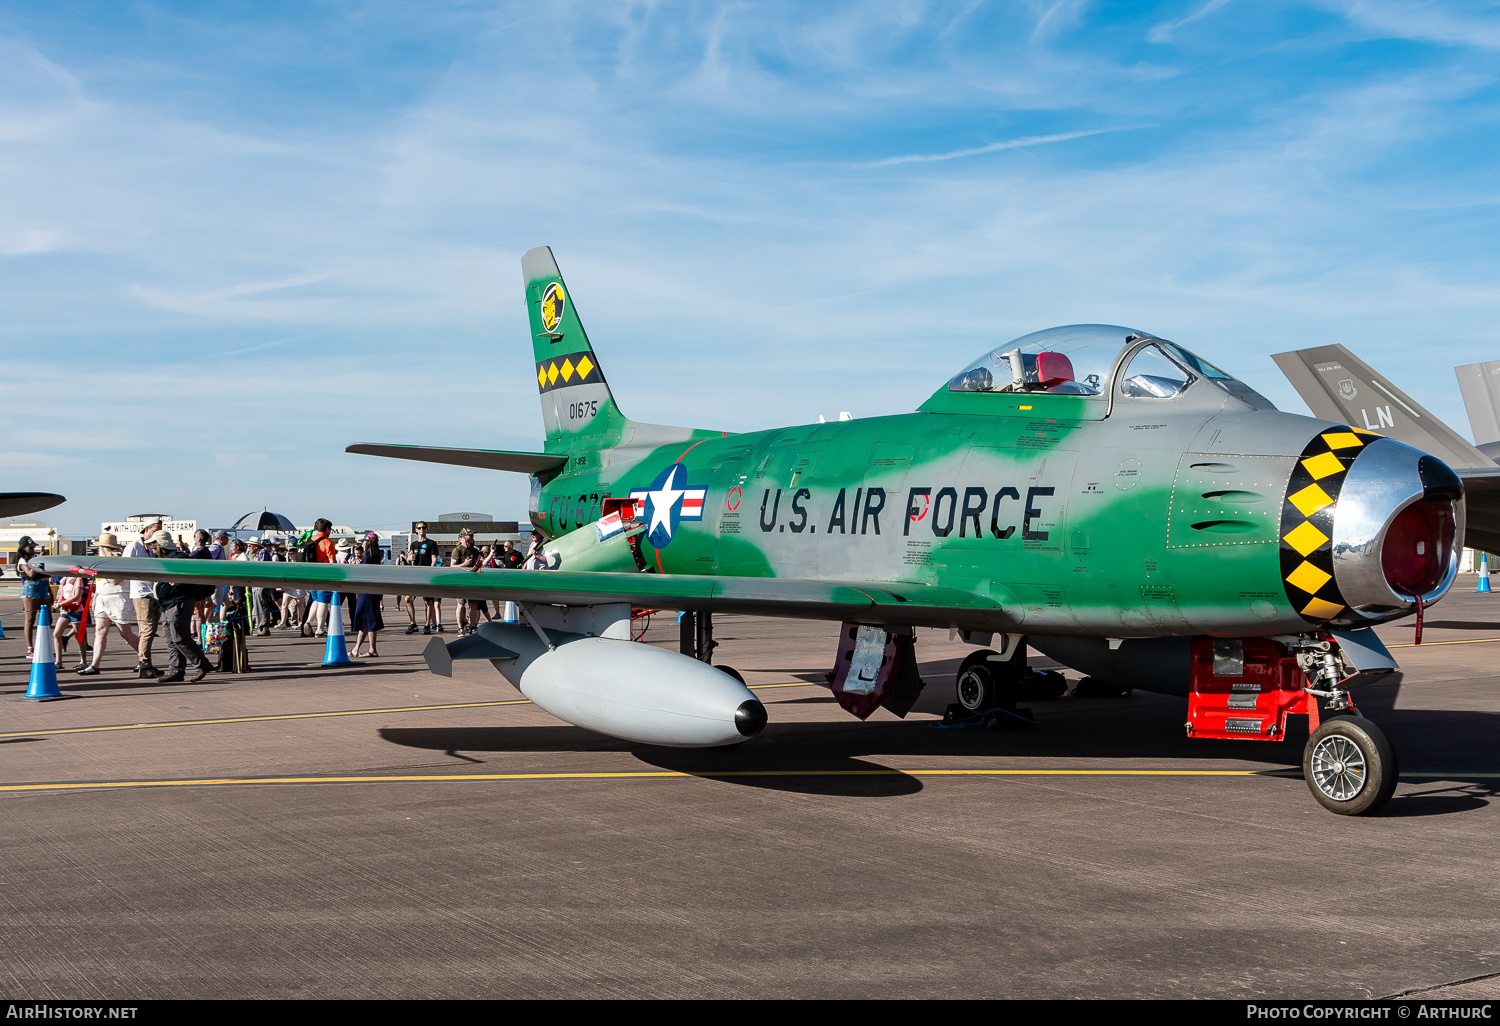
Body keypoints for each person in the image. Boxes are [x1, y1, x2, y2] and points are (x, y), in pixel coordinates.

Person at [153, 534, 213, 684]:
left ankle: (201, 665)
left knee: (179, 637)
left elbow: (191, 571)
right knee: (171, 639)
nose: (152, 550)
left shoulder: (179, 557)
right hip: (168, 603)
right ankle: (176, 671)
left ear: (160, 546)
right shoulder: (172, 558)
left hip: (178, 602)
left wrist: (181, 579)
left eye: (154, 547)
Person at [78, 533, 139, 676]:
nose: (98, 550)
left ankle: (144, 659)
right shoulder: (101, 562)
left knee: (125, 633)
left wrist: (100, 570)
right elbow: (100, 582)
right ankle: (95, 665)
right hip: (102, 597)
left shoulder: (119, 562)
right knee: (100, 631)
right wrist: (95, 596)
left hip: (118, 598)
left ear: (105, 548)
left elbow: (115, 580)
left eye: (99, 547)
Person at [123, 520, 164, 677]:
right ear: (147, 530)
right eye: (156, 531)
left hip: (153, 592)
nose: (158, 534)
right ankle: (144, 664)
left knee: (151, 630)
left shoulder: (153, 547)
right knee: (146, 630)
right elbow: (124, 567)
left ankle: (147, 663)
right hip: (141, 592)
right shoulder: (134, 546)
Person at [14, 536, 52, 659]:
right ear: (23, 548)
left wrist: (51, 593)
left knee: (48, 618)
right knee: (30, 619)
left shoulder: (34, 558)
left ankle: (42, 644)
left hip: (44, 586)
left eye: (33, 547)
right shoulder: (22, 560)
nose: (32, 549)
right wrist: (38, 560)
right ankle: (30, 648)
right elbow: (31, 573)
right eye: (30, 547)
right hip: (32, 587)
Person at [406, 522, 442, 634]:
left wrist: (430, 571)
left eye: (423, 528)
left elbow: (434, 559)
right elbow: (408, 559)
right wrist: (410, 558)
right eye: (419, 528)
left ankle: (427, 625)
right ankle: (413, 624)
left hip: (426, 575)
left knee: (428, 602)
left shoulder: (431, 543)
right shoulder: (413, 544)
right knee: (408, 599)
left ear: (426, 529)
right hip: (415, 575)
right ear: (416, 530)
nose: (421, 530)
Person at [352, 535, 385, 657]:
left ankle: (372, 649)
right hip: (373, 592)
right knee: (367, 621)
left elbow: (361, 576)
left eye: (364, 542)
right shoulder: (376, 558)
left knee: (368, 621)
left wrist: (356, 567)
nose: (363, 544)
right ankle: (356, 648)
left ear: (368, 543)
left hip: (366, 593)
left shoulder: (367, 559)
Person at [450, 530, 481, 634]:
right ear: (463, 536)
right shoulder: (457, 550)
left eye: (472, 535)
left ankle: (472, 627)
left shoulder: (475, 550)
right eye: (470, 535)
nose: (472, 536)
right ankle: (460, 628)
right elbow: (452, 566)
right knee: (461, 604)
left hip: (473, 581)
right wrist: (464, 564)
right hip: (461, 581)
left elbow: (481, 564)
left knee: (473, 605)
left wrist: (479, 563)